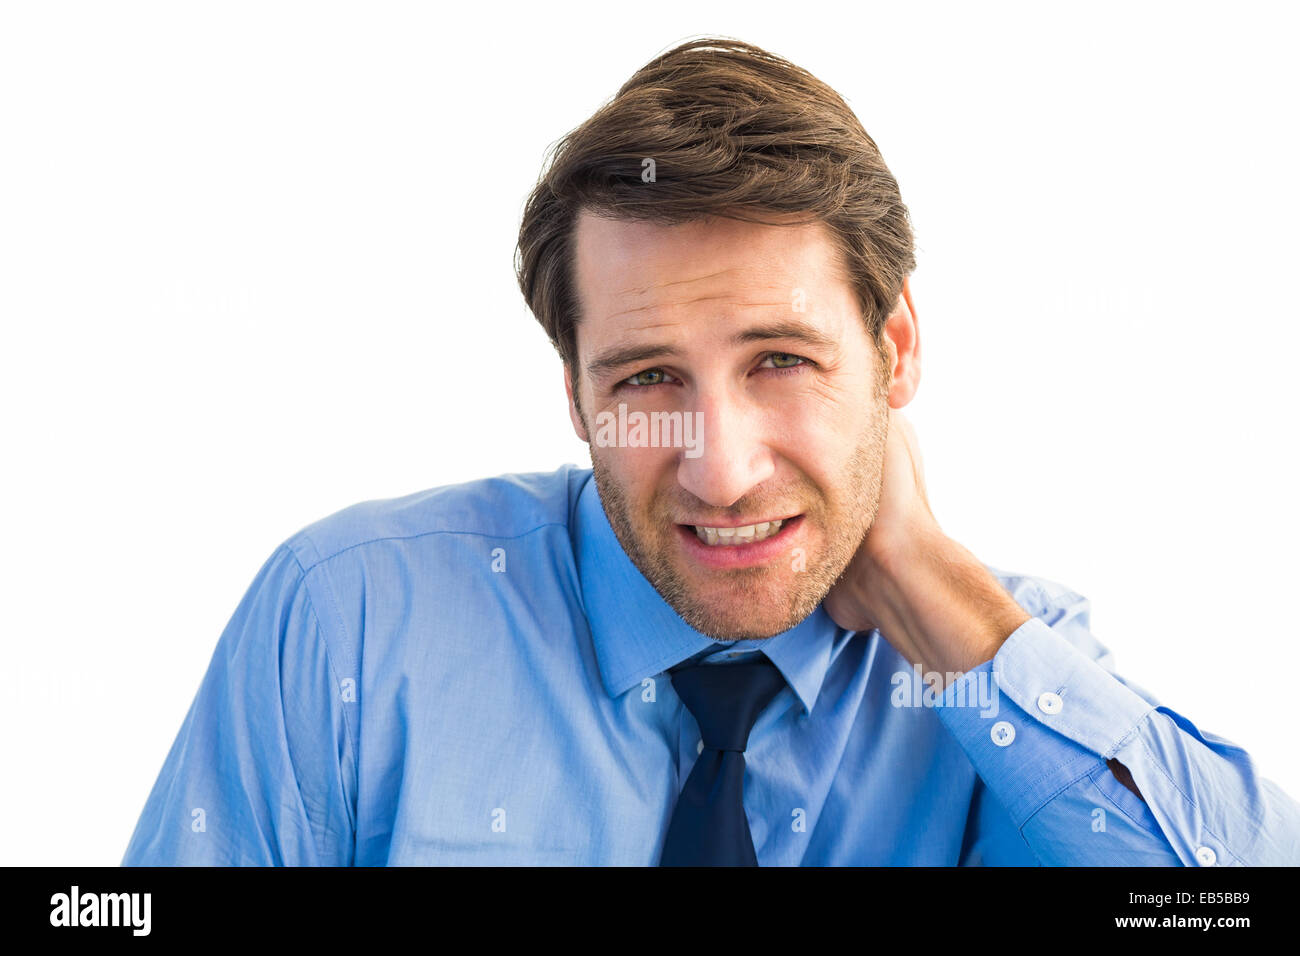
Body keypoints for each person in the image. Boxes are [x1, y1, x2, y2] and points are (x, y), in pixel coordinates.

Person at [122, 36, 1300, 866]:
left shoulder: (997, 664)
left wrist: (927, 583)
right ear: (576, 397)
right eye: (646, 379)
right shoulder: (353, 619)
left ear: (893, 351)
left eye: (780, 360)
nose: (721, 466)